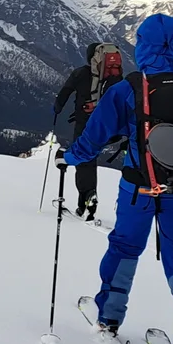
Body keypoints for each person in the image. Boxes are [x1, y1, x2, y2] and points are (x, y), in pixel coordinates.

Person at [62, 13, 173, 344]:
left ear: (143, 45)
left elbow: (93, 137)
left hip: (138, 187)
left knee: (124, 246)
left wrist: (70, 157)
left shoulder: (129, 88)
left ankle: (108, 315)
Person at [52, 42, 122, 221]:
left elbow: (65, 93)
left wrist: (58, 108)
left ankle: (86, 198)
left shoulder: (80, 73)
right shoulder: (114, 76)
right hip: (110, 125)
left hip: (85, 124)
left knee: (84, 160)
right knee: (91, 158)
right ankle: (90, 197)